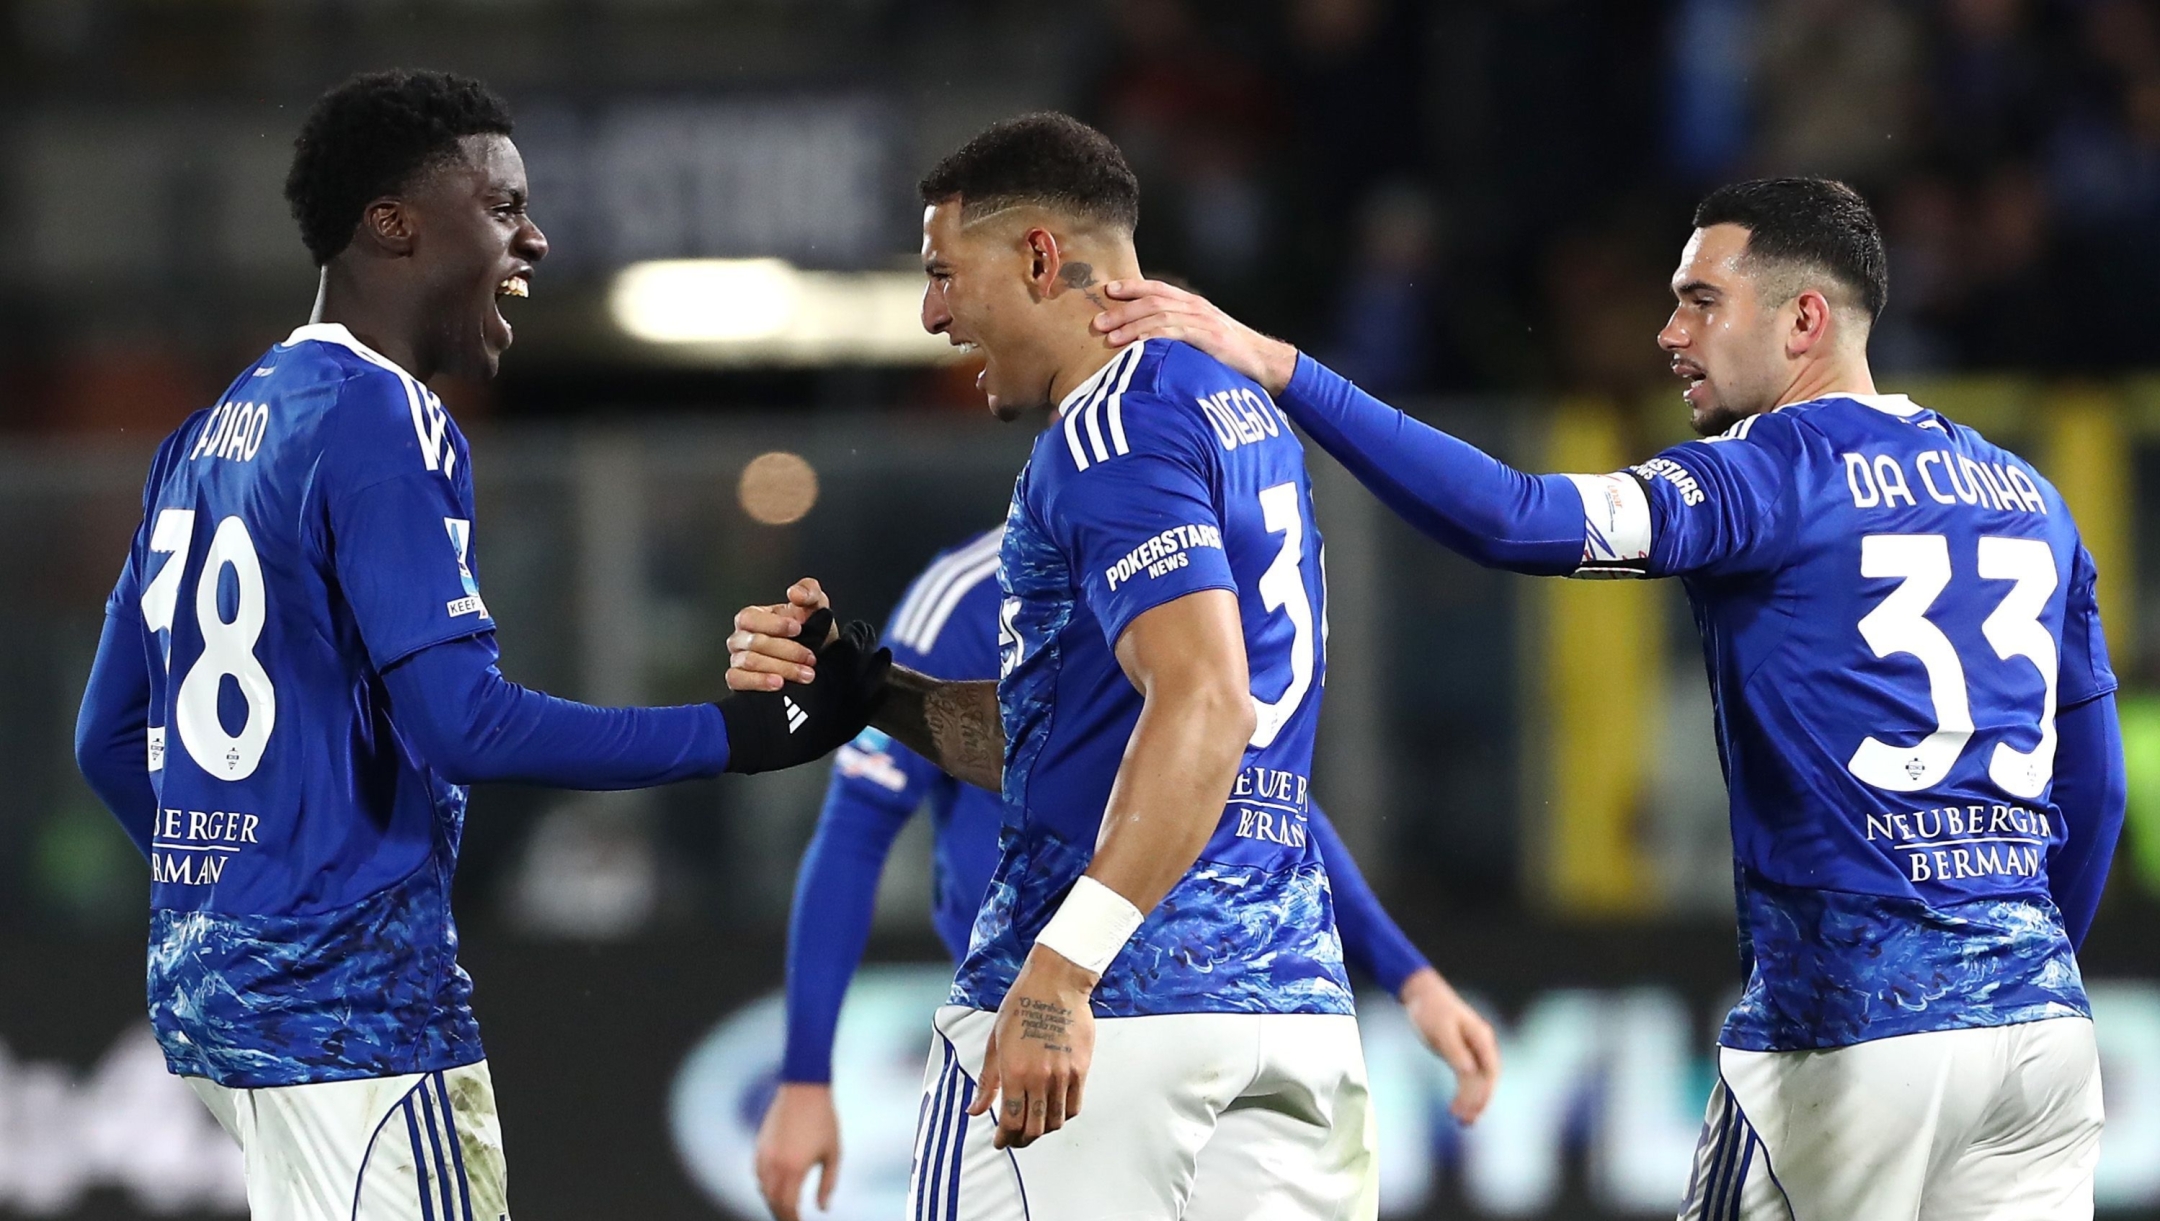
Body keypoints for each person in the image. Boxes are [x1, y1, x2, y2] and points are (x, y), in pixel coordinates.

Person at [1090, 178, 2124, 1219]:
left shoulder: (1766, 476)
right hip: (2040, 1038)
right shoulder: (2032, 497)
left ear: (1805, 318)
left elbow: (1513, 517)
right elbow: (2097, 790)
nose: (1670, 332)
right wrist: (2008, 982)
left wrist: (1282, 368)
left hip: (1853, 1030)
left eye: (1703, 301)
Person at [70, 70, 880, 1221]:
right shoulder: (382, 417)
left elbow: (107, 741)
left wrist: (241, 893)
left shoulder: (202, 439)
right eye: (501, 206)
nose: (535, 235)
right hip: (357, 1015)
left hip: (218, 999)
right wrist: (746, 733)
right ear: (393, 225)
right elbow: (464, 722)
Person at [728, 113, 1395, 1219]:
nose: (934, 313)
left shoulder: (1109, 430)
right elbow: (1105, 738)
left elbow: (1206, 700)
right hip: (1289, 1019)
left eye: (945, 274)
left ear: (1040, 257)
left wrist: (1062, 969)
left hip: (1110, 1023)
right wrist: (875, 692)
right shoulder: (1235, 414)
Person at [754, 526, 1500, 1221]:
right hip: (1179, 1018)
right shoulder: (1003, 591)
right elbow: (1253, 785)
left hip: (1064, 1022)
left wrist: (1411, 977)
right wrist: (805, 1074)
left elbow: (1245, 791)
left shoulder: (1175, 569)